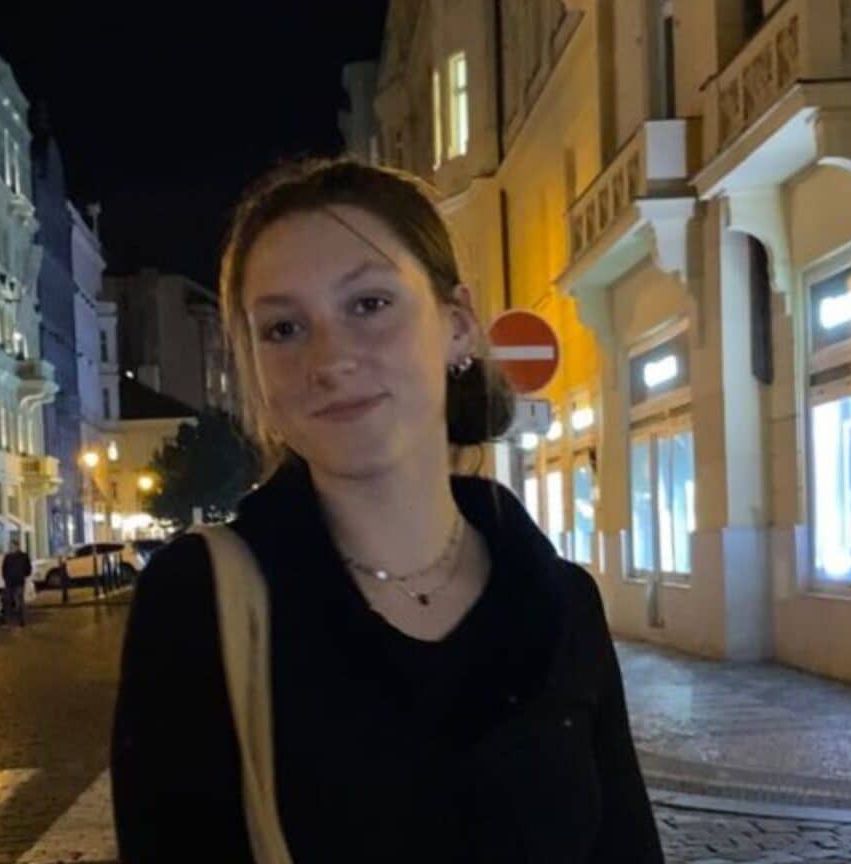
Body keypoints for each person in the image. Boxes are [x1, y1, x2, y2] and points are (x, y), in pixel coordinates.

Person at [111, 159, 664, 862]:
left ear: (458, 326)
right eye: (283, 328)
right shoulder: (201, 600)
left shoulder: (560, 603)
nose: (330, 357)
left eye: (368, 304)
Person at [1, 538, 31, 627]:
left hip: (19, 581)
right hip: (9, 582)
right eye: (10, 546)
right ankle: (8, 620)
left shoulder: (23, 556)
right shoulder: (8, 557)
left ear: (17, 546)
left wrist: (23, 574)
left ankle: (21, 620)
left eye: (12, 546)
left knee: (19, 601)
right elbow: (4, 569)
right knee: (8, 601)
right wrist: (6, 578)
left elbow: (28, 568)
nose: (11, 548)